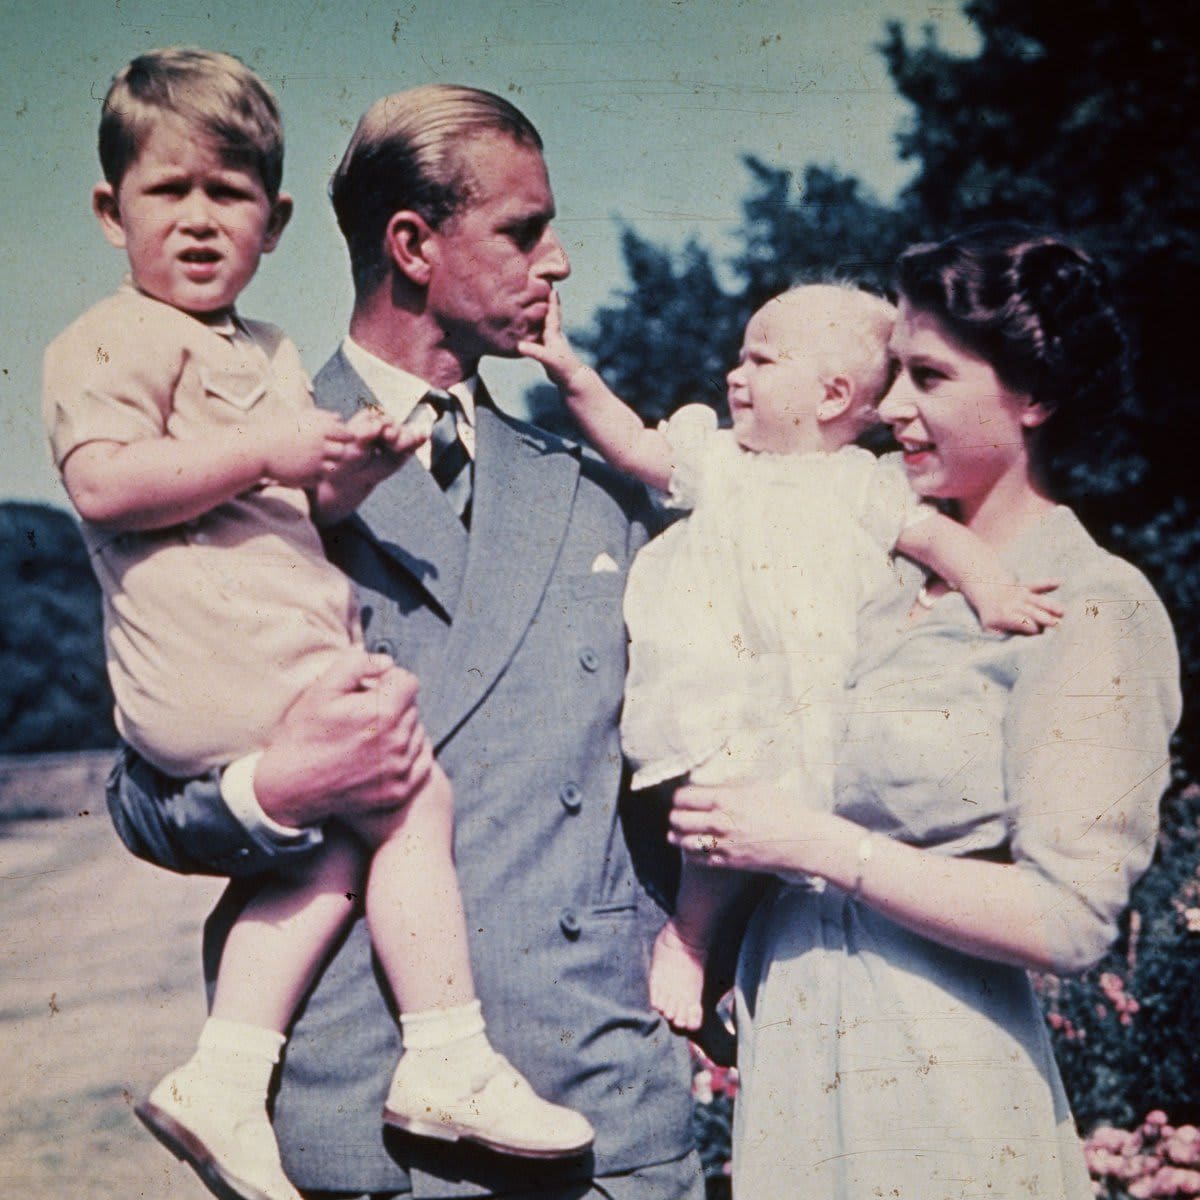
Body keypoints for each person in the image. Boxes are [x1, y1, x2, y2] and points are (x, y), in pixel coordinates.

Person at [105, 82, 702, 1200]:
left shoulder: (592, 493)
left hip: (593, 1109)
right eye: (525, 230)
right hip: (356, 1121)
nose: (559, 261)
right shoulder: (227, 467)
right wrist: (276, 788)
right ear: (413, 244)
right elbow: (142, 794)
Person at [667, 225, 1182, 1199]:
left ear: (1034, 395)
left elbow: (1068, 920)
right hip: (793, 1085)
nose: (891, 406)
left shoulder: (1089, 603)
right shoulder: (869, 585)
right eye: (893, 374)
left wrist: (816, 844)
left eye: (930, 379)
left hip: (943, 1105)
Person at [521, 283, 1063, 1033]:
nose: (734, 376)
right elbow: (636, 445)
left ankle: (739, 966)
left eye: (761, 360)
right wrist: (573, 374)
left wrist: (994, 589)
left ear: (833, 394)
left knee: (789, 825)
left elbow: (940, 540)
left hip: (809, 689)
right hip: (719, 677)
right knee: (721, 808)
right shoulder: (722, 461)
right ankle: (690, 935)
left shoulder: (863, 485)